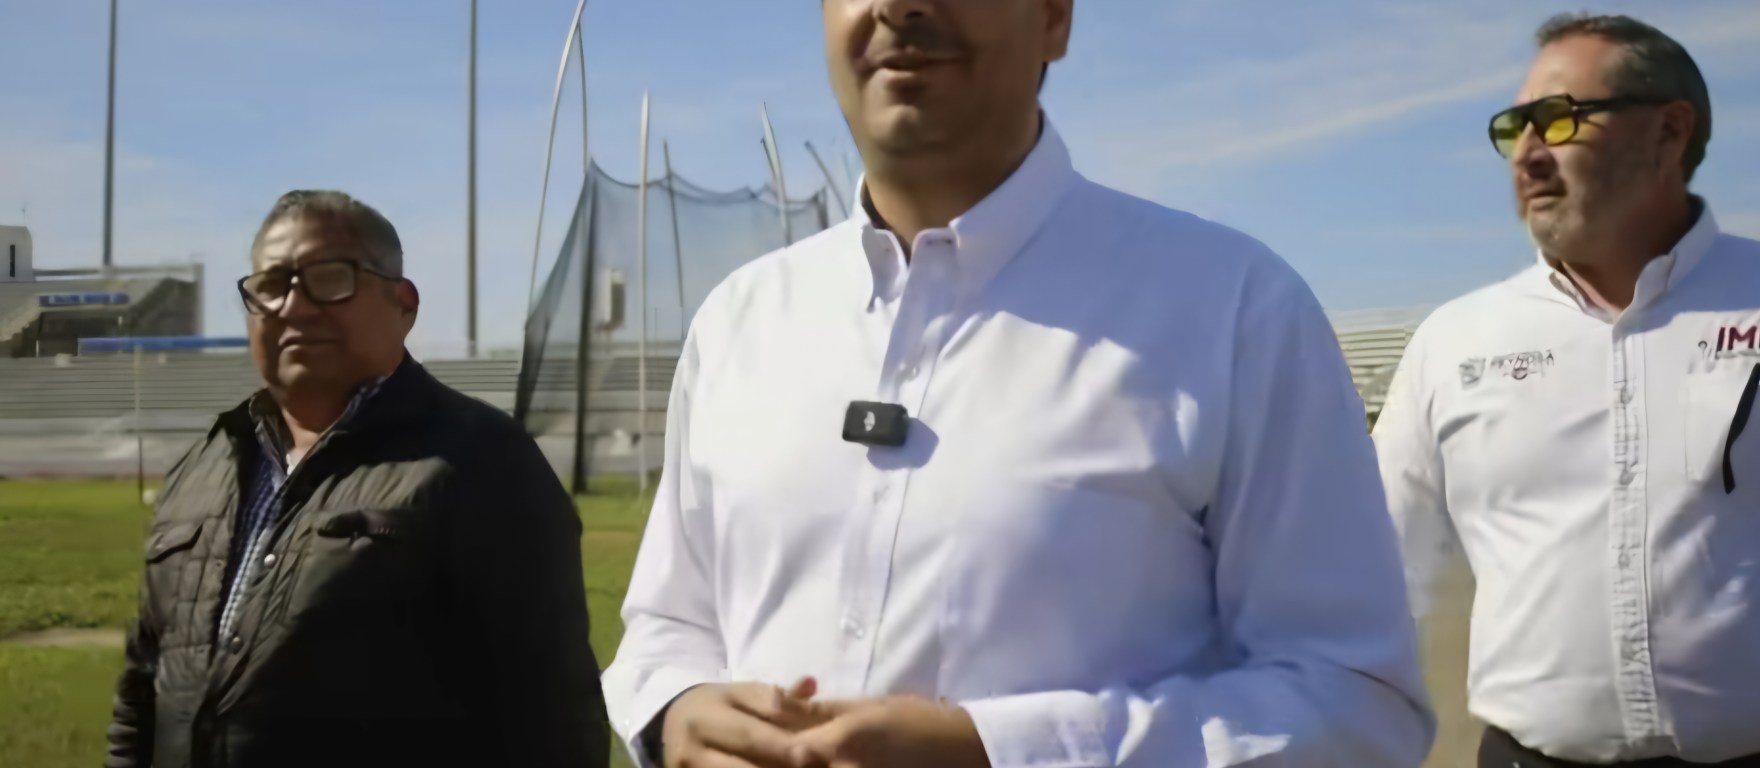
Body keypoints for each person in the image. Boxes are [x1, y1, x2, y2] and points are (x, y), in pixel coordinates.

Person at [600, 1, 1435, 766]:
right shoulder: (739, 322)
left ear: (1054, 20)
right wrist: (677, 710)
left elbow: (1356, 704)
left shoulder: (1236, 311)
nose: (898, 7)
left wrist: (1006, 752)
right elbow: (668, 625)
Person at [1373, 12, 1760, 768]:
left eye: (1557, 119)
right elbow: (1374, 580)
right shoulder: (1454, 342)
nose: (1527, 153)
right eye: (1514, 127)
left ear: (1669, 131)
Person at [105, 191, 608, 768]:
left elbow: (551, 721)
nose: (294, 306)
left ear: (403, 304)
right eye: (271, 285)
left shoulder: (486, 464)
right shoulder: (203, 466)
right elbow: (141, 692)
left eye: (329, 278)